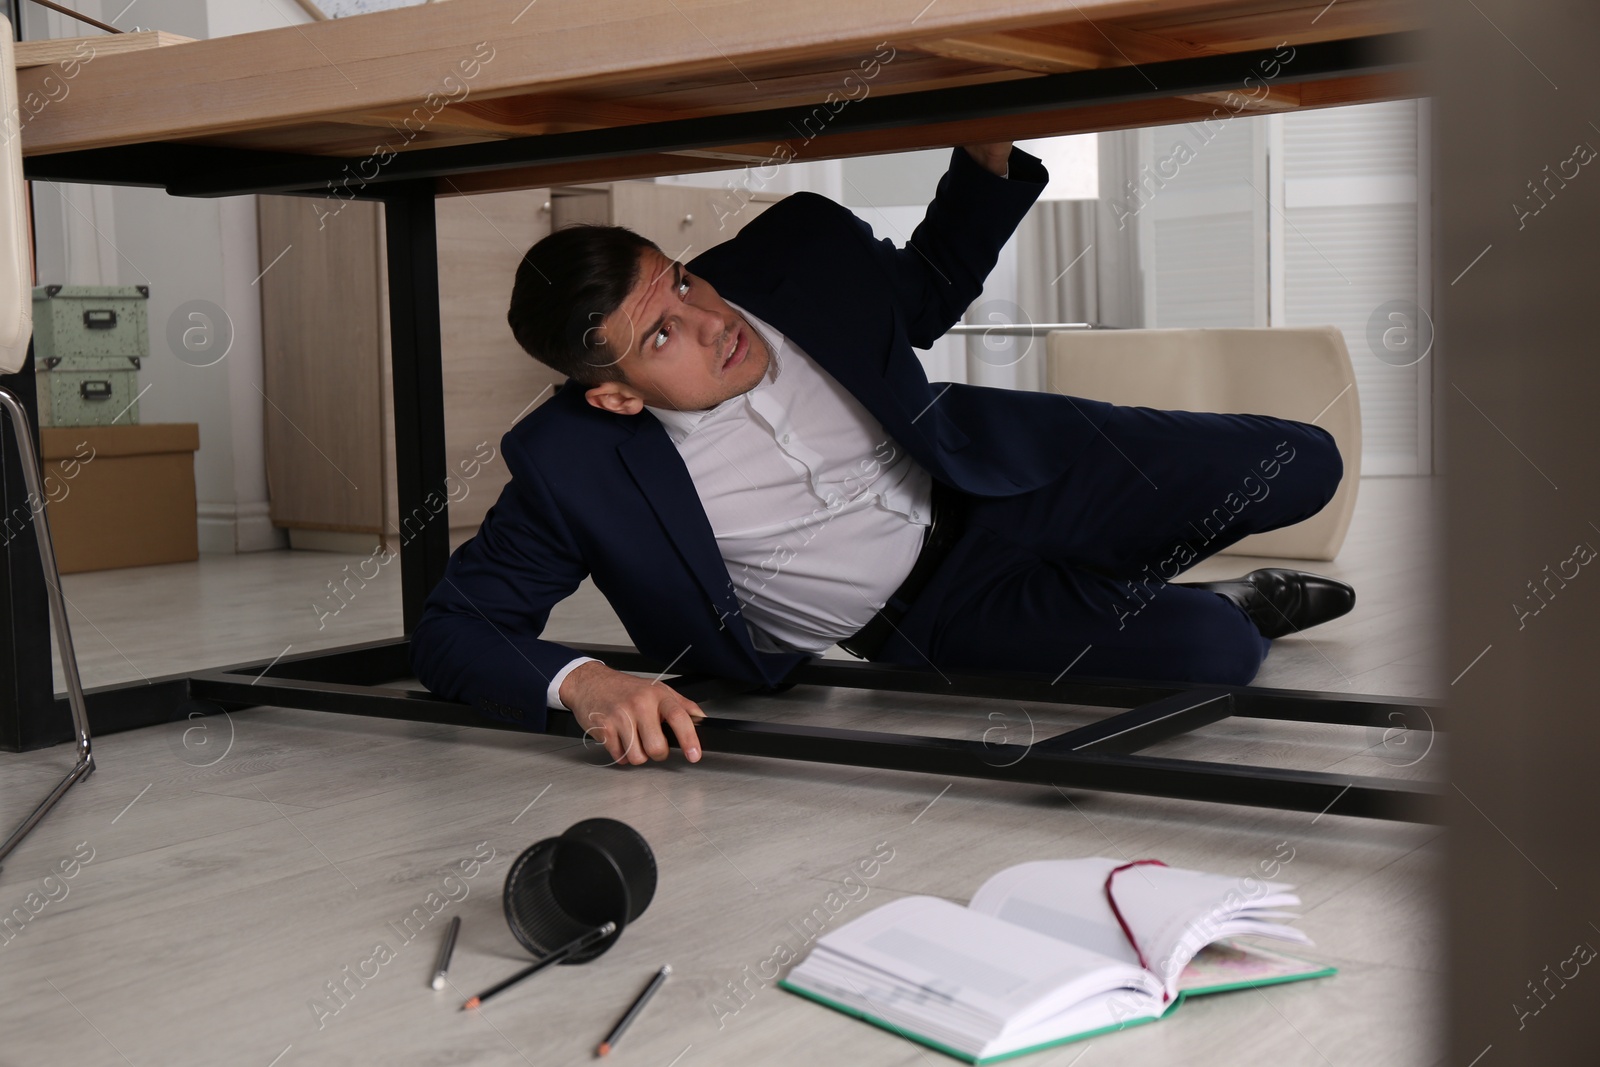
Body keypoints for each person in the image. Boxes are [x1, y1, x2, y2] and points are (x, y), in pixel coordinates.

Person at [409, 142, 1353, 768]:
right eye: (661, 336)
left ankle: (1112, 564)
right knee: (1218, 649)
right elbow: (454, 629)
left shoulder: (797, 252)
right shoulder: (570, 463)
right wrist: (586, 681)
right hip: (934, 615)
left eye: (684, 282)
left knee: (1305, 462)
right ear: (611, 392)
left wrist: (985, 148)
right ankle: (1234, 596)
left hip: (1003, 473)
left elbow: (931, 284)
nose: (709, 322)